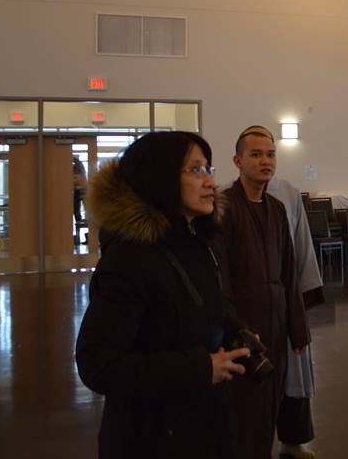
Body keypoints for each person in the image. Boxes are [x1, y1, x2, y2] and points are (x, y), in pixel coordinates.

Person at [76, 131, 250, 458]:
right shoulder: (129, 259)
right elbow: (98, 365)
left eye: (208, 169)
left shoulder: (196, 243)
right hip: (150, 437)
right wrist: (198, 369)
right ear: (161, 177)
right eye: (196, 170)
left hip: (202, 427)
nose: (210, 182)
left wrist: (232, 331)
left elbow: (189, 309)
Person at [216, 126, 310, 459]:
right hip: (242, 328)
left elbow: (288, 272)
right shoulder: (224, 207)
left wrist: (297, 328)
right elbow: (220, 276)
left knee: (270, 404)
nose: (265, 161)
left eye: (270, 154)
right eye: (255, 155)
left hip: (277, 323)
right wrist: (234, 327)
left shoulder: (276, 208)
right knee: (244, 411)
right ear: (237, 161)